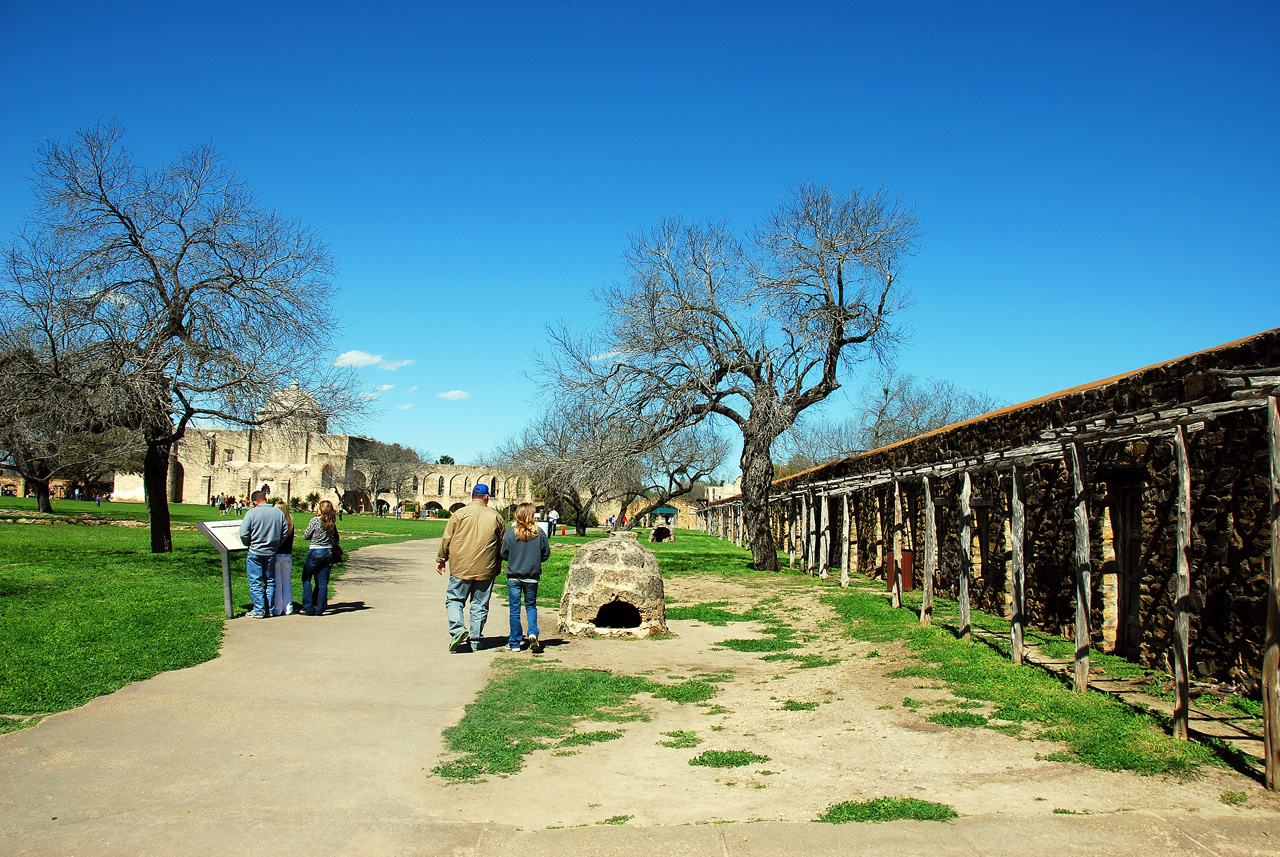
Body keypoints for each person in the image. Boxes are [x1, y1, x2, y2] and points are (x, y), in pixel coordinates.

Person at [436, 483, 504, 652]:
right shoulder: (496, 517)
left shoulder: (459, 514)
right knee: (480, 604)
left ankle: (458, 629)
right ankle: (475, 639)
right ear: (486, 497)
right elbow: (502, 546)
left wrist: (441, 558)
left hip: (461, 567)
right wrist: (498, 564)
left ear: (472, 496)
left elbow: (447, 538)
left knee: (455, 599)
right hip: (486, 568)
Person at [502, 502, 550, 652]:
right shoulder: (539, 533)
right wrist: (535, 559)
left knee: (515, 609)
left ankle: (515, 642)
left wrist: (513, 558)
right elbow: (546, 554)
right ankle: (533, 632)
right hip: (532, 576)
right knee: (531, 606)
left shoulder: (511, 532)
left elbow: (504, 553)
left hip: (514, 576)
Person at [238, 490, 287, 618]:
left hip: (255, 551)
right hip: (271, 551)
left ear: (255, 502)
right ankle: (270, 608)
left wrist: (248, 543)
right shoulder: (278, 513)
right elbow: (285, 532)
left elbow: (243, 533)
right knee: (270, 580)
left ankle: (259, 609)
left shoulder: (252, 513)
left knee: (255, 581)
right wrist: (276, 544)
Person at [300, 500, 339, 616]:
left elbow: (306, 535)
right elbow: (334, 539)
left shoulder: (315, 520)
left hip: (315, 550)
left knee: (306, 578)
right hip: (328, 551)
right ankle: (320, 608)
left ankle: (308, 606)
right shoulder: (332, 523)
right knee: (322, 583)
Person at [271, 500, 295, 615]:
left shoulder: (276, 523)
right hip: (287, 555)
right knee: (286, 583)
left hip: (277, 554)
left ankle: (278, 608)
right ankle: (288, 607)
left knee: (277, 583)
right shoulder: (290, 522)